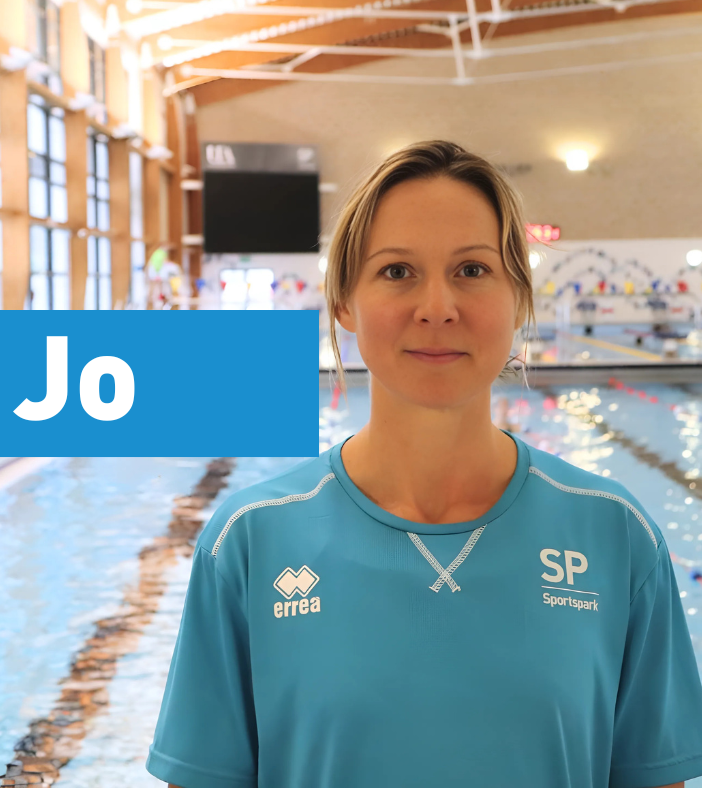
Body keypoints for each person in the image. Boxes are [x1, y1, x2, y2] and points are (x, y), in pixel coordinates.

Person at [145, 141, 702, 788]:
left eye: (471, 270)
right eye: (396, 272)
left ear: (519, 298)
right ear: (343, 304)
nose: (437, 307)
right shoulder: (250, 540)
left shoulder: (615, 536)